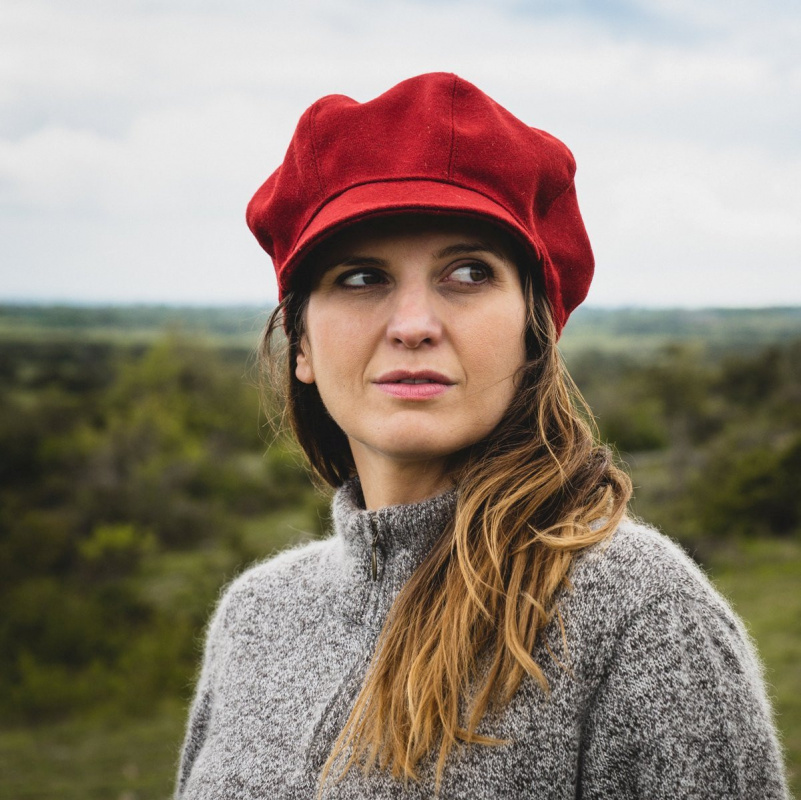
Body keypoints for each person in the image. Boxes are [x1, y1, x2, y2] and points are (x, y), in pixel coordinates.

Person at [175, 73, 789, 799]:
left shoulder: (639, 615)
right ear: (301, 344)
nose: (411, 324)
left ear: (535, 334)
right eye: (360, 276)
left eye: (467, 272)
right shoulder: (256, 616)